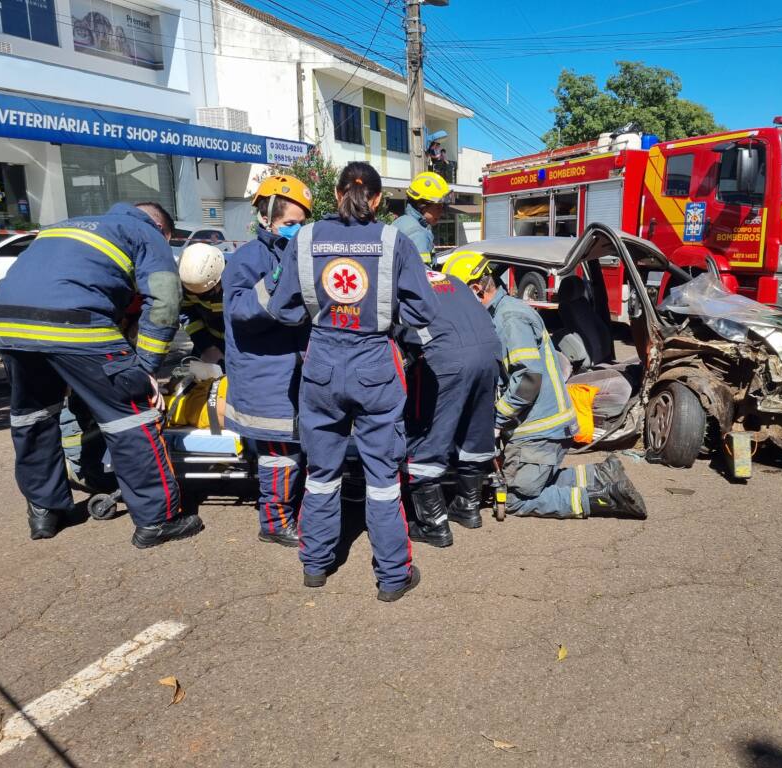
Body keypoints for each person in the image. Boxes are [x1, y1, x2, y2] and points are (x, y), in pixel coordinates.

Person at [265, 161, 439, 601]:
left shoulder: (304, 239)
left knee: (321, 473)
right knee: (382, 477)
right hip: (375, 363)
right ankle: (393, 577)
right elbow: (423, 312)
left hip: (320, 363)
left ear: (338, 193)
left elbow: (281, 309)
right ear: (377, 199)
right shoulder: (393, 240)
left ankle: (315, 565)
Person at [0, 202, 202, 546]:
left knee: (35, 416)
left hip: (8, 320)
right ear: (165, 231)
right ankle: (157, 520)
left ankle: (45, 512)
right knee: (131, 415)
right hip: (74, 320)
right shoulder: (148, 233)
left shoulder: (68, 224)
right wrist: (143, 369)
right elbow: (164, 302)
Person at [440, 252, 647, 521]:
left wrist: (497, 419)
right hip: (547, 426)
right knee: (533, 480)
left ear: (476, 289)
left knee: (516, 498)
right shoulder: (504, 312)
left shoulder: (509, 320)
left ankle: (604, 499)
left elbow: (528, 378)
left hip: (539, 431)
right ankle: (600, 474)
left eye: (459, 298)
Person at [223, 175, 313, 547]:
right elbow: (242, 310)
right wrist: (277, 282)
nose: (296, 230)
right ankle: (274, 523)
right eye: (290, 223)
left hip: (288, 373)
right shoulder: (249, 259)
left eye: (301, 223)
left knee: (290, 448)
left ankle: (289, 509)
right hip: (264, 377)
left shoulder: (286, 253)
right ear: (266, 217)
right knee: (279, 453)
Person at [395, 266, 501, 547]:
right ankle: (468, 508)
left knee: (426, 432)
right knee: (474, 430)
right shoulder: (449, 278)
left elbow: (398, 332)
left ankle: (433, 525)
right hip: (489, 354)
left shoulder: (398, 281)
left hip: (446, 359)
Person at [179, 243, 226, 365]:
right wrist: (206, 347)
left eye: (207, 293)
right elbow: (188, 315)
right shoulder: (186, 286)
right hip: (207, 340)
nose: (200, 296)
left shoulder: (239, 282)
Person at [392, 171, 450, 264]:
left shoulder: (401, 221)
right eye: (438, 206)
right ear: (421, 204)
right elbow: (422, 274)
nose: (441, 212)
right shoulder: (418, 234)